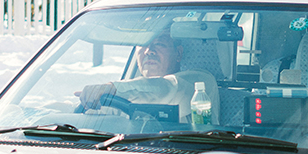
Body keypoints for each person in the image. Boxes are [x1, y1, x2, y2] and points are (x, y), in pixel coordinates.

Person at [77, 32, 219, 125]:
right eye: (143, 44)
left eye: (159, 44)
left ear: (178, 53)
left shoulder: (201, 81)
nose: (148, 51)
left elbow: (164, 90)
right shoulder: (126, 92)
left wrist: (113, 88)